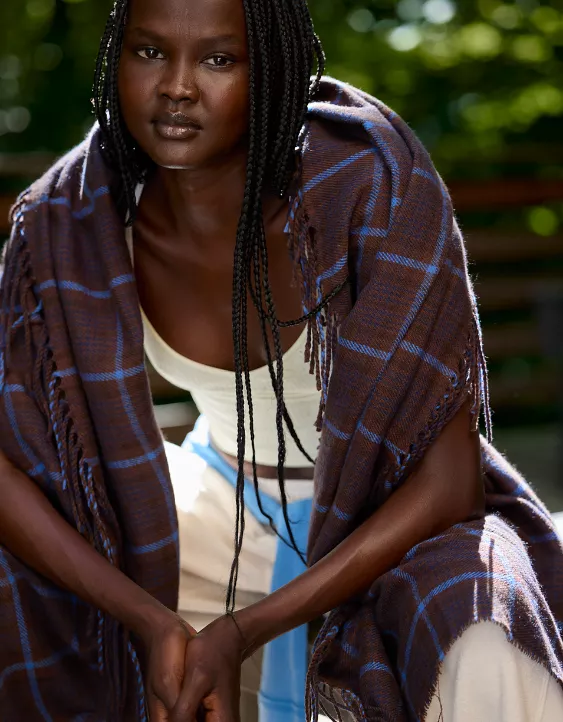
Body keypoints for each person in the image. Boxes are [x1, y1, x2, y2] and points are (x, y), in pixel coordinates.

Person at [0, 0, 562, 721]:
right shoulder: (70, 219)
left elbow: (450, 488)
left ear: (271, 70)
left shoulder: (368, 179)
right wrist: (146, 619)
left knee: (479, 630)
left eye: (218, 59)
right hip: (221, 502)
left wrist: (244, 631)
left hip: (386, 513)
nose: (176, 87)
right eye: (149, 53)